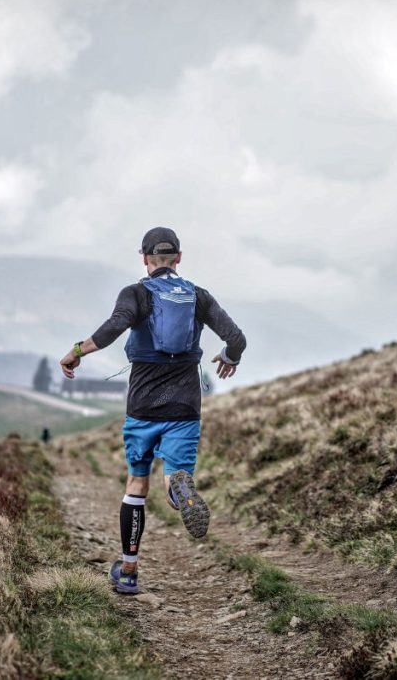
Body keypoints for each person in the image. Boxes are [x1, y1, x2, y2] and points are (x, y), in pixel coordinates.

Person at [59, 227, 246, 595]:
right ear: (178, 258)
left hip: (143, 407)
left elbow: (115, 327)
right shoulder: (199, 297)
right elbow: (237, 338)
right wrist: (229, 357)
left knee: (137, 486)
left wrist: (77, 352)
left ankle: (128, 572)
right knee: (173, 476)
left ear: (145, 258)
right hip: (184, 406)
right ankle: (179, 490)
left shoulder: (136, 294)